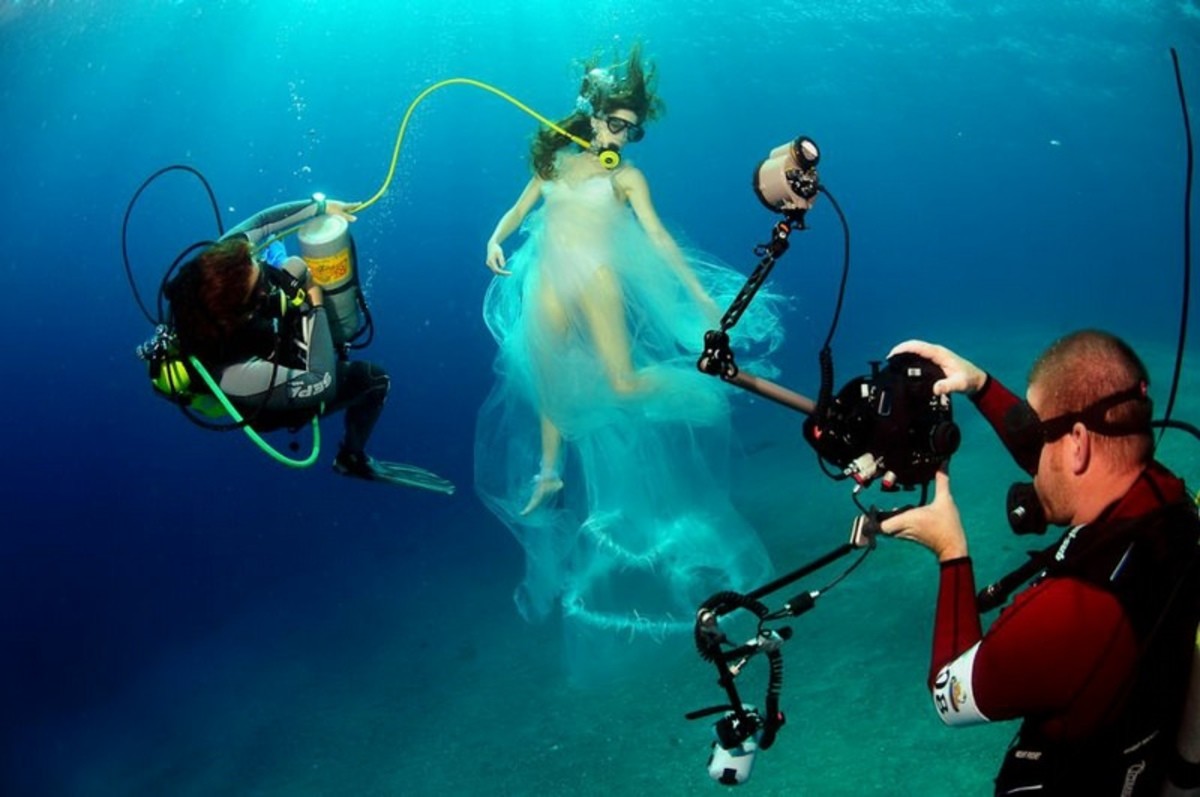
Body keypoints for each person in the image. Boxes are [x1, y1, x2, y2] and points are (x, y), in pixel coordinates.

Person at [475, 45, 783, 679]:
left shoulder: (627, 177)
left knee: (619, 378)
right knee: (543, 371)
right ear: (592, 114)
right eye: (614, 123)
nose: (621, 135)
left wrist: (699, 293)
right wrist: (495, 237)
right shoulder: (555, 158)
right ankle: (551, 472)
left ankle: (700, 393)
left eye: (632, 130)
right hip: (546, 280)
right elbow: (521, 206)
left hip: (601, 279)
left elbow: (660, 236)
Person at [878, 330, 1199, 795]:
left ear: (1077, 444)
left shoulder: (1067, 616)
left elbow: (949, 695)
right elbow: (1065, 465)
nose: (1030, 442)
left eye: (1035, 427)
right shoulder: (1168, 501)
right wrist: (981, 386)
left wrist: (951, 552)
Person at [165, 195, 453, 494]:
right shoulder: (231, 373)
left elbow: (263, 223)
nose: (266, 277)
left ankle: (302, 322)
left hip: (262, 330)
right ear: (244, 312)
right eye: (261, 284)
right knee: (375, 380)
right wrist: (312, 303)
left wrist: (322, 207)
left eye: (256, 265)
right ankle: (351, 458)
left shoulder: (217, 265)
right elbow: (322, 381)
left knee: (278, 253)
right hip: (271, 395)